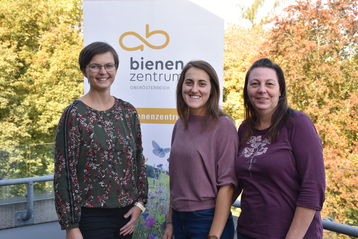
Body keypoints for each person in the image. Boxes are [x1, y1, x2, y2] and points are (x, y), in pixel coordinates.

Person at [54, 41, 148, 239]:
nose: (102, 71)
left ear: (115, 69)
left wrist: (140, 203)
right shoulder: (74, 115)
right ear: (84, 70)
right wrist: (71, 225)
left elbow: (138, 159)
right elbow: (65, 173)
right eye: (95, 66)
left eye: (108, 66)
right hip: (90, 217)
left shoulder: (127, 111)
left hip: (126, 215)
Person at [235, 58, 325, 239]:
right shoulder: (244, 129)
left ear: (280, 90)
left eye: (269, 84)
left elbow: (313, 188)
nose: (262, 90)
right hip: (248, 233)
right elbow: (236, 182)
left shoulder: (298, 124)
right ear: (247, 90)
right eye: (255, 84)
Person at [162, 60, 238, 239]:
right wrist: (171, 222)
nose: (194, 89)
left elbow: (227, 185)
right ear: (181, 87)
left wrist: (214, 235)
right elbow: (176, 180)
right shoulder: (180, 124)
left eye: (202, 84)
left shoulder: (224, 125)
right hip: (180, 220)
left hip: (207, 219)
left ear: (212, 89)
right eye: (189, 82)